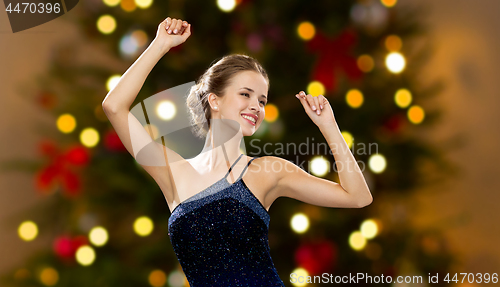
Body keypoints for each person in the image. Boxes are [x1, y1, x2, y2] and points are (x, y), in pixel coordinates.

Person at [102, 17, 373, 287]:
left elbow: (358, 197)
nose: (256, 106)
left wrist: (329, 126)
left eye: (262, 100)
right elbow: (114, 106)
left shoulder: (266, 171)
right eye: (246, 94)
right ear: (214, 100)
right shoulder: (173, 171)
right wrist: (161, 44)